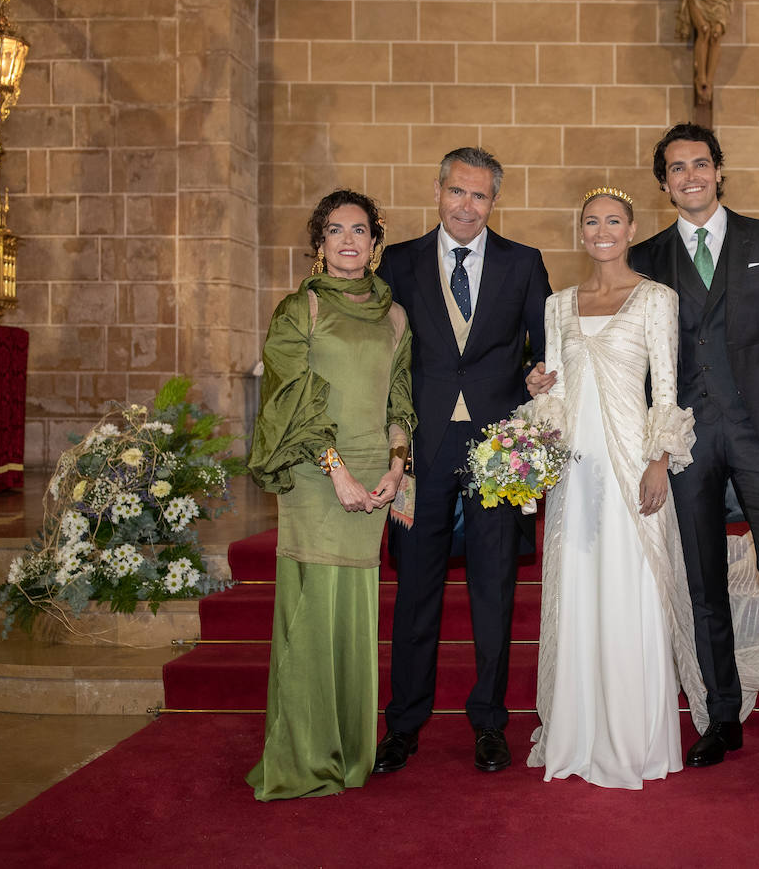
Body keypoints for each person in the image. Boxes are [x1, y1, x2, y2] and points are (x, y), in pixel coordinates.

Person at [623, 122, 759, 787]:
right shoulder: (647, 257)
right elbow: (629, 359)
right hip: (686, 444)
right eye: (676, 168)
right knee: (704, 581)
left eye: (700, 164)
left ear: (718, 171)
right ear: (663, 184)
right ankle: (720, 716)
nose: (690, 176)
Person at [373, 147, 551, 775]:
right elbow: (382, 356)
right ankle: (403, 723)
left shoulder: (523, 263)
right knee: (415, 592)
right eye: (457, 191)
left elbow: (546, 349)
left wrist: (537, 379)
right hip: (421, 453)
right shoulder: (397, 262)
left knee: (494, 592)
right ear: (438, 190)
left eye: (480, 196)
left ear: (494, 202)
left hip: (497, 452)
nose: (466, 206)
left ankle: (489, 722)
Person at [523, 187, 706, 789]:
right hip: (575, 472)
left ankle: (634, 738)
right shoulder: (556, 306)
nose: (602, 230)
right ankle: (577, 732)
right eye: (592, 222)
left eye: (614, 221)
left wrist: (659, 459)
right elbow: (551, 393)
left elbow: (667, 390)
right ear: (581, 232)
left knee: (634, 589)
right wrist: (538, 387)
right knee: (578, 591)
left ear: (631, 230)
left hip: (633, 466)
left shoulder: (657, 300)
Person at [246, 189, 415, 800]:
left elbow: (401, 402)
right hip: (317, 476)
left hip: (372, 480)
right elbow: (289, 398)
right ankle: (304, 759)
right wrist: (336, 470)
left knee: (357, 615)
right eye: (336, 230)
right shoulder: (300, 311)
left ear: (375, 242)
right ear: (320, 243)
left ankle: (349, 753)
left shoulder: (395, 316)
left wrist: (396, 471)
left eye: (360, 230)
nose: (349, 240)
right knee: (313, 613)